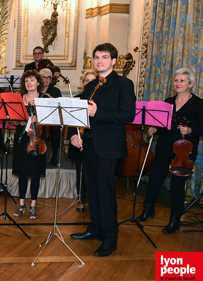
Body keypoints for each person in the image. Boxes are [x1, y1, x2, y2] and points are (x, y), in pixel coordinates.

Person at [68, 43, 136, 257]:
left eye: (104, 57)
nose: (99, 61)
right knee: (92, 191)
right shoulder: (92, 85)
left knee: (106, 193)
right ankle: (95, 229)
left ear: (114, 61)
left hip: (108, 148)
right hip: (88, 145)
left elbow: (128, 115)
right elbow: (76, 109)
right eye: (96, 57)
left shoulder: (124, 84)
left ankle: (110, 238)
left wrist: (99, 112)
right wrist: (72, 133)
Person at [136, 68, 203, 234]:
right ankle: (148, 209)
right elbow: (163, 124)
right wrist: (154, 128)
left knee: (177, 186)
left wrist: (190, 131)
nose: (178, 83)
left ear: (191, 84)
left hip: (184, 152)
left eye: (182, 81)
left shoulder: (199, 104)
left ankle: (175, 220)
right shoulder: (167, 102)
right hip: (164, 148)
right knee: (155, 180)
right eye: (176, 80)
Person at [11, 70, 47, 220]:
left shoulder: (44, 99)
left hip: (38, 140)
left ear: (38, 82)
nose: (29, 83)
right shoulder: (19, 99)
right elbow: (12, 119)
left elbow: (51, 121)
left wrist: (38, 119)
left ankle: (33, 205)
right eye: (26, 81)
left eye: (32, 80)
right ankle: (21, 204)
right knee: (22, 173)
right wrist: (18, 121)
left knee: (35, 173)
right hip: (22, 139)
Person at [68, 69, 98, 212]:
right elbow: (70, 123)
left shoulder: (100, 101)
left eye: (93, 81)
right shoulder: (77, 99)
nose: (89, 83)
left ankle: (95, 200)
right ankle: (81, 200)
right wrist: (73, 135)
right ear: (83, 83)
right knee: (80, 172)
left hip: (96, 142)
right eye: (87, 81)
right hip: (80, 141)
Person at [39, 68, 62, 166]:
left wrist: (51, 98)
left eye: (48, 78)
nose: (46, 80)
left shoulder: (55, 90)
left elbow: (59, 106)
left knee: (56, 127)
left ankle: (54, 155)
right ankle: (39, 153)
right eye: (44, 77)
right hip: (39, 117)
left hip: (52, 117)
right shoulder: (36, 89)